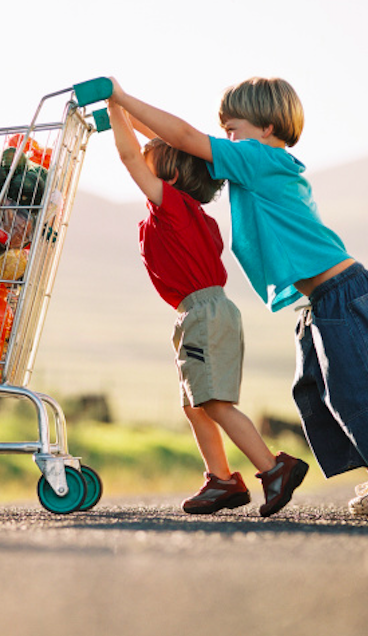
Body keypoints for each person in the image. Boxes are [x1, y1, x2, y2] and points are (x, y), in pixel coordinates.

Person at [106, 76, 368, 519]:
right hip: (322, 301)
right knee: (330, 396)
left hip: (343, 291)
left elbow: (182, 138)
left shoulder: (259, 159)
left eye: (232, 130)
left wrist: (119, 97)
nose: (226, 139)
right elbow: (172, 145)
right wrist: (118, 115)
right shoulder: (251, 162)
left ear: (266, 129)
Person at [106, 100, 309, 517]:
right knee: (195, 402)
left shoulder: (174, 208)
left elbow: (128, 156)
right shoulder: (187, 215)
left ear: (172, 176)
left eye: (151, 164)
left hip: (204, 311)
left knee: (215, 403)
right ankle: (221, 480)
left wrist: (114, 102)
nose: (141, 167)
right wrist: (122, 117)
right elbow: (147, 148)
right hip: (198, 312)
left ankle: (274, 469)